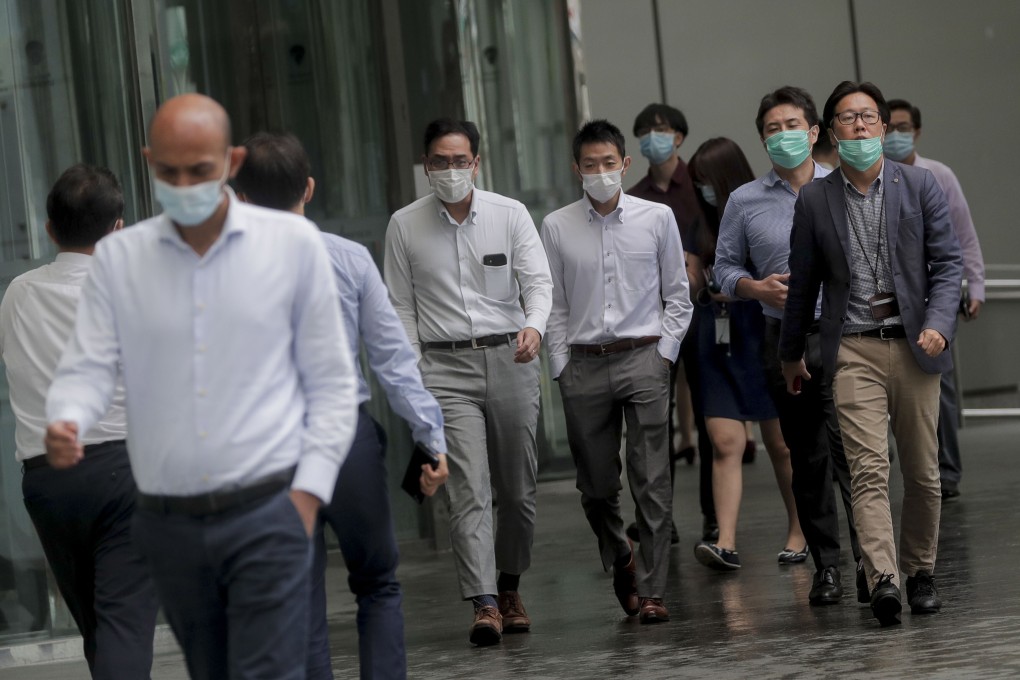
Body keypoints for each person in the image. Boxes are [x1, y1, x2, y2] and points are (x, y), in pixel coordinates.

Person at [45, 94, 358, 678]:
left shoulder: (290, 247)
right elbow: (89, 364)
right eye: (170, 171)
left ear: (232, 160)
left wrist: (308, 496)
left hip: (269, 510)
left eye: (201, 169)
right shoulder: (121, 259)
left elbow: (333, 384)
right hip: (168, 523)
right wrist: (68, 416)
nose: (185, 183)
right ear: (148, 162)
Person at [234, 131, 449, 679]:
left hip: (271, 447)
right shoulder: (348, 259)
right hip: (345, 441)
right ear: (309, 187)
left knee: (297, 596)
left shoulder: (220, 270)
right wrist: (431, 439)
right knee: (376, 583)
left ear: (239, 194)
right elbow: (394, 360)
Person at [779, 81, 962, 627]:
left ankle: (921, 571)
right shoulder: (815, 198)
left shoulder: (921, 185)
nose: (858, 126)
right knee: (867, 469)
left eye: (867, 117)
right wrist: (791, 354)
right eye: (846, 119)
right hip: (852, 347)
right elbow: (804, 282)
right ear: (832, 134)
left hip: (913, 344)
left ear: (883, 125)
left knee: (924, 474)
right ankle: (883, 577)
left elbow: (948, 265)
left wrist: (939, 324)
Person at [384, 118, 552, 646]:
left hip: (511, 358)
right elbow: (400, 308)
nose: (451, 170)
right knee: (468, 488)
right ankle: (483, 603)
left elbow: (538, 282)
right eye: (440, 161)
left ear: (476, 163)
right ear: (425, 165)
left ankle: (509, 585)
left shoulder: (510, 214)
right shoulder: (404, 225)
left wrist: (534, 326)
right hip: (444, 368)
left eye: (460, 161)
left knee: (518, 491)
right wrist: (415, 381)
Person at [0, 165, 158, 679]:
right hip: (122, 470)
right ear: (118, 228)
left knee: (97, 625)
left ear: (49, 229)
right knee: (123, 623)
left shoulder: (18, 294)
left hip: (48, 482)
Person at [714, 86, 862, 605]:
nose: (784, 136)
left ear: (814, 132)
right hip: (787, 338)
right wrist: (754, 288)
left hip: (849, 334)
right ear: (762, 139)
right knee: (807, 455)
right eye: (773, 129)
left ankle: (873, 563)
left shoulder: (844, 186)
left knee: (857, 452)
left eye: (792, 126)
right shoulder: (745, 201)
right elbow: (724, 268)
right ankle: (827, 567)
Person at [541, 119, 692, 624]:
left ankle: (652, 590)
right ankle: (621, 555)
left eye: (609, 163)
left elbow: (678, 295)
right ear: (576, 169)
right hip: (583, 364)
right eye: (590, 165)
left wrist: (664, 354)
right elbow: (554, 305)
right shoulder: (557, 226)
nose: (601, 172)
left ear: (625, 164)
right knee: (597, 486)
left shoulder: (657, 218)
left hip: (644, 356)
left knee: (652, 479)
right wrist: (560, 366)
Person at [685, 137, 805, 573]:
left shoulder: (757, 208)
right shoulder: (700, 224)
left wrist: (743, 288)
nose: (704, 192)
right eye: (697, 184)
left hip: (760, 333)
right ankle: (726, 540)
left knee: (780, 444)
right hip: (716, 339)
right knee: (724, 441)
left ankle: (799, 529)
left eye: (707, 182)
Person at [885, 98, 985, 499]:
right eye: (888, 126)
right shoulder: (875, 178)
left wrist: (974, 286)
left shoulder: (938, 174)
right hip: (894, 298)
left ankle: (948, 472)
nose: (894, 134)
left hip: (936, 295)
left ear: (918, 131)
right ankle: (916, 469)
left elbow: (963, 234)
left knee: (940, 389)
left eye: (903, 127)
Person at [626, 103, 714, 545]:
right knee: (655, 421)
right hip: (653, 319)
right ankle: (659, 519)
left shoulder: (699, 187)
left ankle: (714, 517)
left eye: (660, 130)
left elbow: (723, 238)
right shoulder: (635, 195)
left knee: (709, 416)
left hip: (703, 312)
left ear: (679, 136)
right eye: (644, 132)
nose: (652, 138)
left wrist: (699, 263)